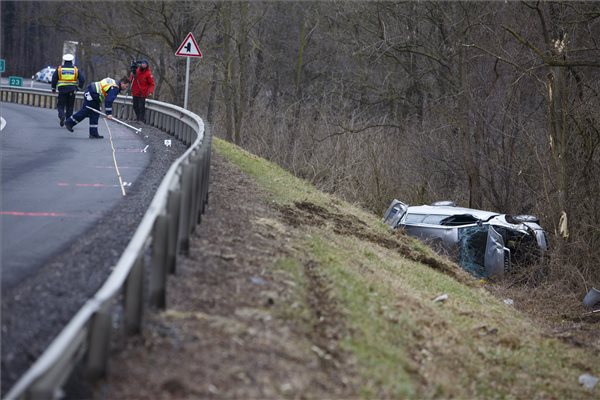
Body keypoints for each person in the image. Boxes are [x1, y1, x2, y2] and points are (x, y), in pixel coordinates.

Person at [64, 77, 130, 139]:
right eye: (126, 86)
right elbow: (109, 100)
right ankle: (69, 122)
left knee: (95, 113)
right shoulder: (115, 88)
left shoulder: (114, 83)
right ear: (122, 83)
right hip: (92, 94)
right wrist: (109, 113)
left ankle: (93, 133)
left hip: (93, 94)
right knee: (85, 111)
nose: (126, 88)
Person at [51, 54, 85, 127]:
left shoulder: (60, 69)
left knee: (60, 105)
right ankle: (68, 122)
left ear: (64, 61)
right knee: (70, 106)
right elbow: (82, 79)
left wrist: (53, 88)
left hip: (62, 90)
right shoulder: (75, 69)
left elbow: (54, 79)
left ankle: (62, 115)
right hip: (72, 90)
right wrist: (79, 88)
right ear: (71, 61)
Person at [129, 59, 155, 123]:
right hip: (135, 92)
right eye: (142, 63)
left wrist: (150, 92)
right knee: (135, 106)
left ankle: (141, 119)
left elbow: (151, 84)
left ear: (147, 65)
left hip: (142, 93)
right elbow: (131, 79)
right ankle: (138, 118)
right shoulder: (137, 71)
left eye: (145, 64)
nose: (143, 65)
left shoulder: (148, 74)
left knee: (141, 106)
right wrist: (132, 74)